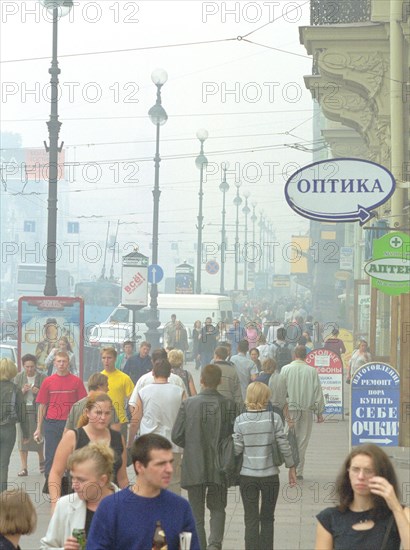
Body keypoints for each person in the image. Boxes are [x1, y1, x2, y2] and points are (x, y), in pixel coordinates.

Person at [86, 434, 200, 550]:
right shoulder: (111, 508)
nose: (169, 469)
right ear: (139, 467)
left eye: (170, 462)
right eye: (160, 464)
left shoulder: (180, 507)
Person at [172, 364, 237, 550]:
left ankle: (199, 545)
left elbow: (176, 434)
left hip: (194, 463)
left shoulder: (189, 403)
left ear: (201, 380)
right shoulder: (229, 405)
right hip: (220, 464)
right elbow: (234, 435)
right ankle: (215, 545)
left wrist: (191, 444)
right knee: (218, 508)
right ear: (219, 381)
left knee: (195, 511)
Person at [233, 382, 296, 550]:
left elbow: (237, 449)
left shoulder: (240, 420)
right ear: (264, 397)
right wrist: (291, 466)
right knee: (268, 518)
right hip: (270, 477)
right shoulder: (273, 419)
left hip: (247, 477)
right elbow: (284, 444)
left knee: (250, 518)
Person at [315, 444, 410, 550]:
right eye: (355, 469)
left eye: (368, 471)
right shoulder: (330, 518)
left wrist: (395, 506)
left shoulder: (399, 514)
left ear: (381, 475)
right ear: (348, 472)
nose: (361, 477)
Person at [48, 392, 128, 512]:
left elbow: (122, 478)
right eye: (98, 413)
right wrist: (55, 504)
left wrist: (129, 503)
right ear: (87, 412)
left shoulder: (118, 438)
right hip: (78, 505)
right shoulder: (73, 437)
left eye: (107, 413)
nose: (103, 417)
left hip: (111, 505)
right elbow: (56, 472)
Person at [41, 442, 120, 549]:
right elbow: (46, 547)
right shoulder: (65, 504)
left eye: (81, 480)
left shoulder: (127, 506)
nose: (74, 485)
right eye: (73, 478)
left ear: (102, 480)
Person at [128, 358, 186, 495]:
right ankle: (172, 513)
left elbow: (135, 419)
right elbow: (186, 418)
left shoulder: (143, 392)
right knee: (173, 481)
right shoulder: (180, 392)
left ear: (153, 372)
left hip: (149, 445)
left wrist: (130, 442)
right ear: (170, 373)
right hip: (174, 444)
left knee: (149, 480)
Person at [33, 351, 87, 487]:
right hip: (51, 423)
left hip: (71, 424)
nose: (61, 364)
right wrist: (38, 428)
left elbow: (84, 405)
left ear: (68, 362)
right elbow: (42, 405)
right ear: (54, 363)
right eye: (59, 361)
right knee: (51, 456)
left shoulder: (76, 381)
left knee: (72, 455)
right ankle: (51, 486)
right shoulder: (48, 382)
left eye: (64, 361)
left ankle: (70, 485)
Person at [280, 345, 325, 480]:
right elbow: (318, 392)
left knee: (289, 438)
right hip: (306, 409)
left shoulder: (285, 369)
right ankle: (299, 471)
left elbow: (281, 390)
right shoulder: (312, 371)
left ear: (295, 355)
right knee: (302, 440)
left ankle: (290, 466)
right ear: (306, 356)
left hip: (289, 409)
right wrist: (319, 412)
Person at [14, 354, 47, 477]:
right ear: (23, 366)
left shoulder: (43, 377)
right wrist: (22, 391)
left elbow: (47, 396)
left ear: (36, 366)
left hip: (37, 410)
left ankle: (41, 461)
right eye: (27, 367)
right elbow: (14, 396)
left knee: (38, 437)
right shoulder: (18, 377)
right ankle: (24, 467)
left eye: (32, 367)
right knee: (23, 439)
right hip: (23, 410)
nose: (29, 369)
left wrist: (39, 393)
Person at [0, 359, 29, 492]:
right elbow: (22, 413)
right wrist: (26, 434)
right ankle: (2, 494)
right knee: (3, 464)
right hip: (8, 430)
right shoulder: (15, 389)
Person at [100, 347, 134, 442]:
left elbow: (133, 400)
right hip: (102, 421)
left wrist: (134, 418)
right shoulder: (99, 377)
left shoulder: (124, 378)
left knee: (119, 452)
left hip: (120, 421)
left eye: (109, 358)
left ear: (115, 359)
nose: (106, 361)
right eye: (104, 358)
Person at [212, 345, 243, 410]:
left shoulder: (209, 370)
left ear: (216, 355)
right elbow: (237, 393)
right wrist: (239, 409)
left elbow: (204, 389)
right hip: (229, 407)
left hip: (212, 406)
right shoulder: (233, 370)